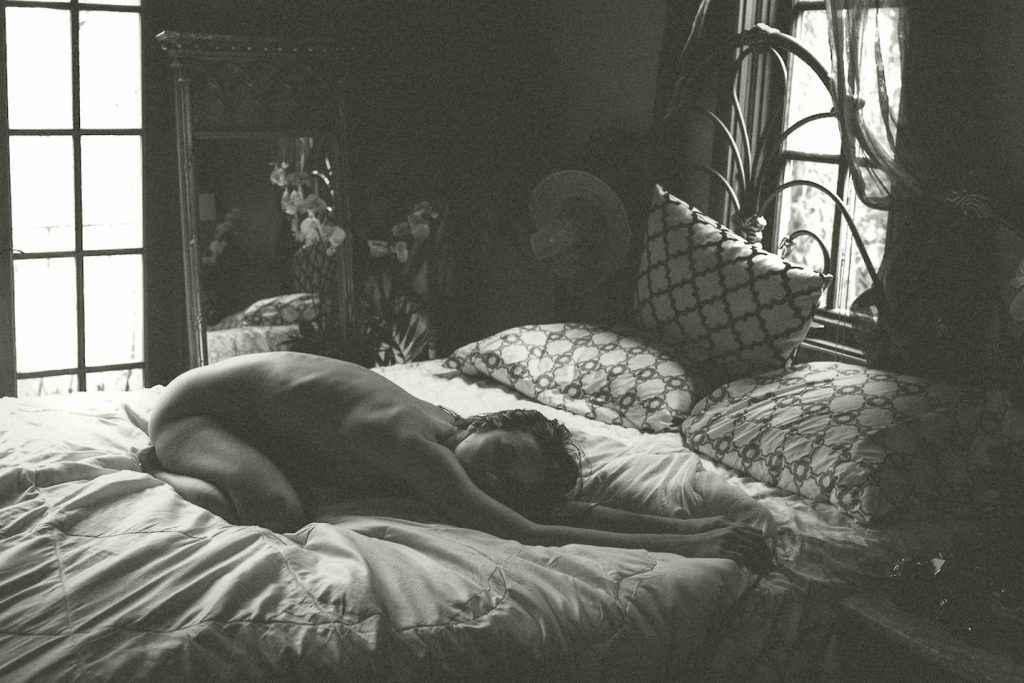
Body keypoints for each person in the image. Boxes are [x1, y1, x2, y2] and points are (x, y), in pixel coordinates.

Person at [139, 351, 771, 572]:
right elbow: (528, 532)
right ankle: (159, 467)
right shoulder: (417, 444)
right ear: (490, 422)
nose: (490, 477)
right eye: (503, 455)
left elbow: (554, 509)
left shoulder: (451, 426)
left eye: (507, 480)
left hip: (247, 421)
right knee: (278, 510)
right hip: (194, 414)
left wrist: (695, 524)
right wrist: (693, 544)